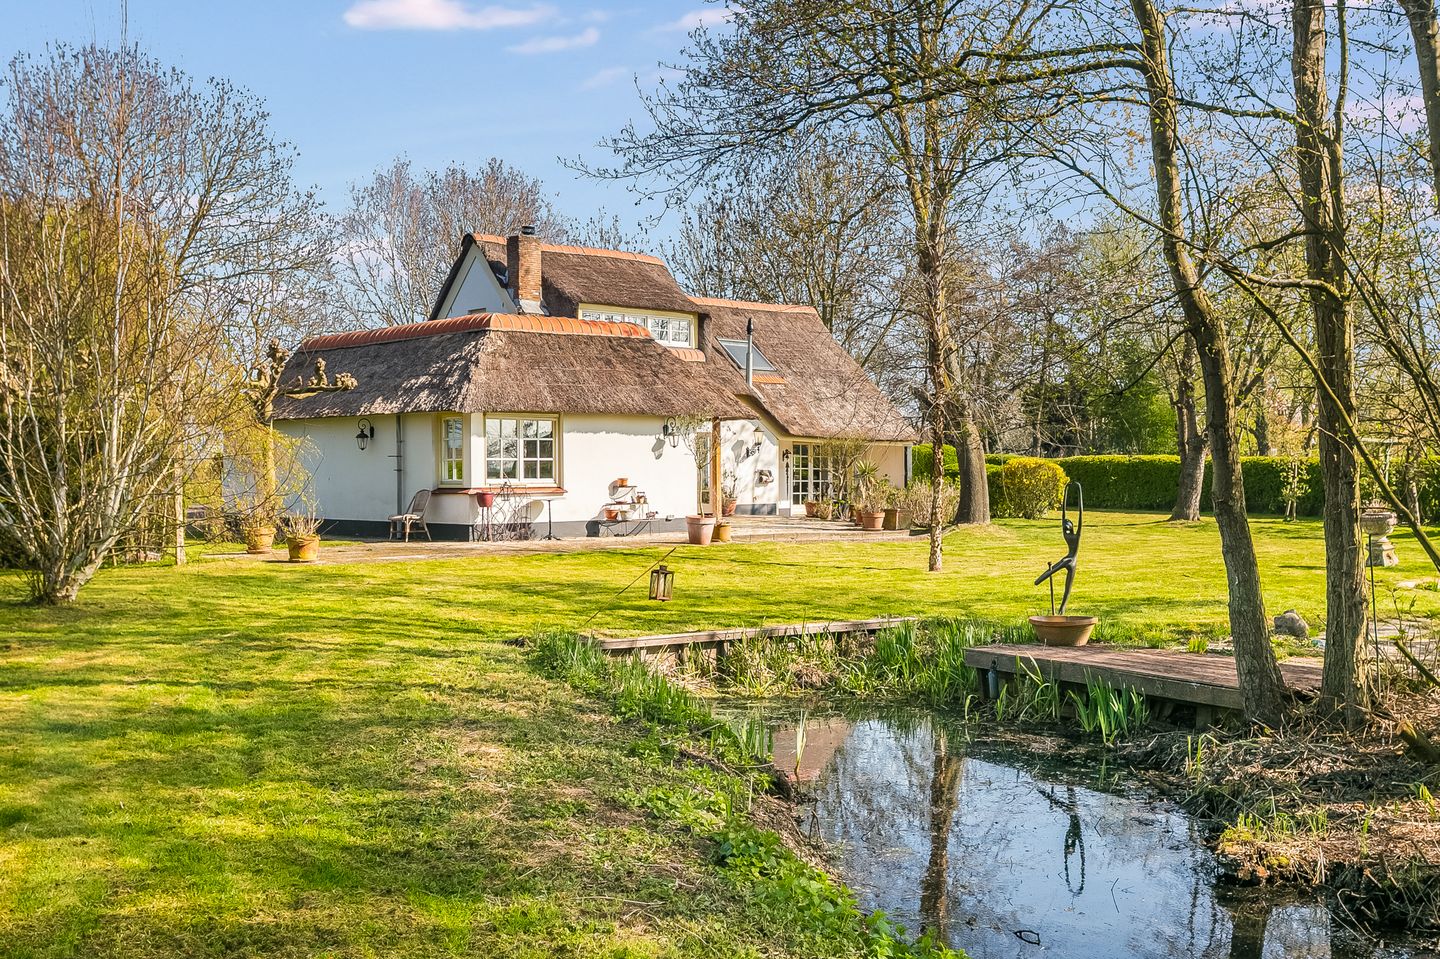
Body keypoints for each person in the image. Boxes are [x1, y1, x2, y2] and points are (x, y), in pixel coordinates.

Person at [1035, 482, 1083, 614]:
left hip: (1071, 560)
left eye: (1067, 528)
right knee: (1054, 570)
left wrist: (1078, 490)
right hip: (1068, 558)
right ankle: (1038, 581)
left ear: (1071, 527)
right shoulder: (1066, 533)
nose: (1065, 530)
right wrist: (1066, 490)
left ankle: (1062, 608)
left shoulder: (1077, 535)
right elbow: (1063, 515)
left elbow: (1080, 515)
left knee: (1067, 587)